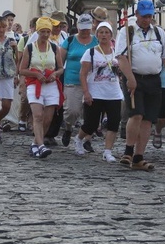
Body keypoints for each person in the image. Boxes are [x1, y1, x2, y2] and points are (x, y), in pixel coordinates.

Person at [115, 0, 165, 171]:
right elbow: (121, 57)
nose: (147, 19)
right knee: (136, 114)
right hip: (134, 77)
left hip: (154, 79)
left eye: (150, 16)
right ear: (137, 15)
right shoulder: (127, 31)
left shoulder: (158, 32)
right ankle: (128, 151)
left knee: (149, 119)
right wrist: (130, 78)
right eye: (144, 16)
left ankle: (139, 156)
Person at [19, 17, 64, 158]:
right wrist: (36, 74)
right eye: (42, 31)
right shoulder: (30, 48)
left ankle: (35, 144)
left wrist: (55, 74)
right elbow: (22, 69)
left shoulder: (55, 47)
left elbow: (61, 68)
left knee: (47, 119)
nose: (45, 35)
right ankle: (41, 146)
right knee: (37, 116)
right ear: (37, 32)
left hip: (50, 85)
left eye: (47, 32)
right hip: (35, 84)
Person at [79, 21, 123, 162]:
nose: (104, 35)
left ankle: (107, 151)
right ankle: (79, 139)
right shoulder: (90, 52)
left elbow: (121, 71)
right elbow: (83, 74)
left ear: (111, 35)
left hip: (113, 92)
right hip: (95, 92)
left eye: (106, 32)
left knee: (114, 122)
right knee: (90, 124)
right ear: (97, 35)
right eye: (101, 32)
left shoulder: (117, 53)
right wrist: (86, 92)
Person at [60, 13, 98, 150]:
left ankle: (87, 139)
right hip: (73, 80)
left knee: (92, 113)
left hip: (92, 82)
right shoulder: (70, 41)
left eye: (87, 28)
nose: (85, 31)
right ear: (77, 27)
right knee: (72, 110)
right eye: (82, 28)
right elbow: (60, 61)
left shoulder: (96, 41)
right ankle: (69, 127)